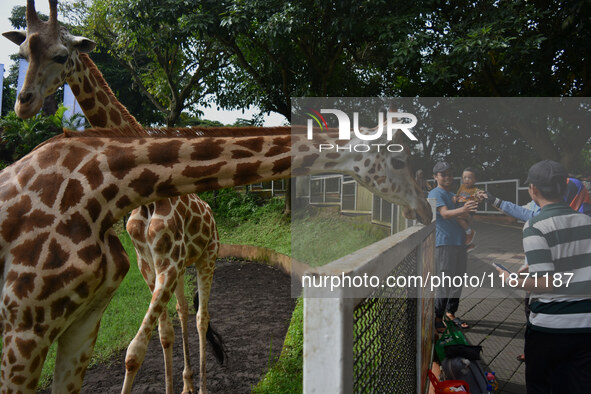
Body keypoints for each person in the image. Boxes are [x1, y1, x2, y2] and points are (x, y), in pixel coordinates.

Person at [494, 160, 591, 393]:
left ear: (533, 190)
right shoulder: (587, 221)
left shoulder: (535, 226)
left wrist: (512, 280)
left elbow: (545, 284)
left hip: (551, 329)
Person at [428, 162, 479, 332]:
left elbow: (465, 215)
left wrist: (470, 209)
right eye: (443, 174)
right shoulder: (435, 193)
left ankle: (450, 312)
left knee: (458, 279)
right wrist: (463, 209)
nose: (447, 177)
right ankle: (437, 316)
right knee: (445, 280)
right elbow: (444, 214)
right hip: (445, 242)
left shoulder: (453, 194)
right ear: (435, 176)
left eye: (450, 174)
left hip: (459, 241)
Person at [454, 167, 481, 252]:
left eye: (469, 178)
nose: (466, 180)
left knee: (457, 217)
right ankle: (470, 244)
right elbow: (457, 195)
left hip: (468, 208)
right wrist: (455, 197)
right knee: (460, 225)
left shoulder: (475, 190)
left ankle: (470, 232)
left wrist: (479, 198)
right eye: (464, 177)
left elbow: (479, 199)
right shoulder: (462, 187)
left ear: (475, 180)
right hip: (461, 206)